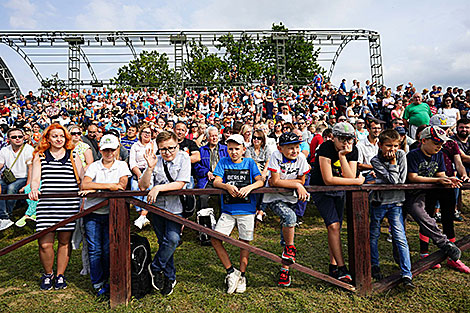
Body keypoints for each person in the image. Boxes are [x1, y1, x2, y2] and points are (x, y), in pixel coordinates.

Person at [28, 123, 83, 290]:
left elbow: (82, 177)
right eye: (54, 136)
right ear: (48, 138)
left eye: (61, 136)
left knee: (64, 241)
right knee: (45, 243)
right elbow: (36, 178)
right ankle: (48, 274)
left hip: (68, 204)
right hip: (47, 204)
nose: (58, 139)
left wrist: (84, 195)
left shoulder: (73, 154)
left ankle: (60, 275)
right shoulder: (40, 155)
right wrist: (34, 188)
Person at [309, 122, 364, 283]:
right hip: (321, 190)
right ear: (333, 138)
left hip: (339, 190)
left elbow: (349, 176)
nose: (346, 143)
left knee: (336, 227)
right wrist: (356, 182)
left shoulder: (353, 150)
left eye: (350, 139)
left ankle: (333, 265)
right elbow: (328, 179)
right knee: (333, 225)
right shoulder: (325, 148)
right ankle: (341, 267)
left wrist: (342, 156)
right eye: (342, 139)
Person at [139, 131, 191, 296]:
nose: (167, 152)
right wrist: (150, 168)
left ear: (177, 144)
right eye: (163, 149)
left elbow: (181, 183)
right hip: (158, 208)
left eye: (171, 148)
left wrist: (159, 187)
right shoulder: (156, 160)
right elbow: (142, 186)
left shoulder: (184, 158)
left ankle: (154, 268)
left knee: (173, 239)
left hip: (176, 208)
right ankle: (169, 277)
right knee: (164, 243)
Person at [211, 134, 264, 293]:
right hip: (228, 209)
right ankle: (231, 272)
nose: (233, 152)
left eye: (237, 149)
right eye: (230, 149)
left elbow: (260, 180)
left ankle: (242, 275)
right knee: (215, 238)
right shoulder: (223, 161)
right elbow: (216, 181)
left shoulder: (249, 162)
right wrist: (227, 187)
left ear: (243, 149)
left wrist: (249, 188)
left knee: (244, 242)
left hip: (247, 209)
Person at [405, 126, 463, 269]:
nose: (440, 146)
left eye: (441, 143)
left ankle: (448, 248)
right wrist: (437, 180)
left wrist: (449, 179)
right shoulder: (413, 155)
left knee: (444, 213)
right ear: (423, 140)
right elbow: (412, 177)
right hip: (413, 193)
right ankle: (442, 244)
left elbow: (441, 174)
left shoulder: (439, 154)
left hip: (429, 191)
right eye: (436, 142)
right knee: (422, 215)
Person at [81, 134, 131, 295]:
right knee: (95, 249)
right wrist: (110, 186)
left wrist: (96, 188)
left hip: (112, 213)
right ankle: (98, 282)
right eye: (105, 150)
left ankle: (111, 279)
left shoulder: (122, 165)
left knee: (109, 248)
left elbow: (122, 185)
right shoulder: (94, 166)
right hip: (93, 212)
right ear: (100, 150)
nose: (108, 153)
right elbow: (85, 183)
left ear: (117, 150)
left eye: (111, 150)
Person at [262, 132, 310, 287]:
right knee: (290, 218)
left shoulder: (301, 158)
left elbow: (302, 179)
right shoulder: (275, 156)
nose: (295, 151)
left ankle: (285, 270)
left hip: (291, 198)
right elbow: (275, 182)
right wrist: (296, 184)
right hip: (274, 197)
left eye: (297, 147)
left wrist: (297, 183)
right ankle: (290, 248)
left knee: (287, 230)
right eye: (290, 148)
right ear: (280, 148)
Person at [369, 129, 414, 288]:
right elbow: (395, 181)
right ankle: (374, 265)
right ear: (380, 145)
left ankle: (407, 273)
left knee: (399, 236)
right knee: (373, 235)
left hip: (396, 202)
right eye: (388, 146)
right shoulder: (375, 160)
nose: (392, 150)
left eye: (395, 146)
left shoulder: (401, 155)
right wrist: (393, 165)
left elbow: (398, 182)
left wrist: (393, 164)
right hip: (379, 202)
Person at [0, 128, 35, 231]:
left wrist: (27, 185)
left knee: (11, 189)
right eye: (14, 137)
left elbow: (31, 169)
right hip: (9, 177)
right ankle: (4, 215)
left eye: (20, 136)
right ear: (8, 139)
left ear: (24, 137)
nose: (18, 139)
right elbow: (1, 165)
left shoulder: (28, 149)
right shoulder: (4, 150)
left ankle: (8, 214)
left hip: (23, 177)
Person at [130, 124, 156, 229]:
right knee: (135, 188)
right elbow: (132, 163)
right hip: (138, 171)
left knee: (149, 188)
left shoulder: (154, 144)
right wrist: (140, 175)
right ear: (140, 134)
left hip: (150, 170)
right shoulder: (135, 146)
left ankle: (142, 216)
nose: (146, 134)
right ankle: (143, 216)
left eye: (149, 132)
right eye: (144, 132)